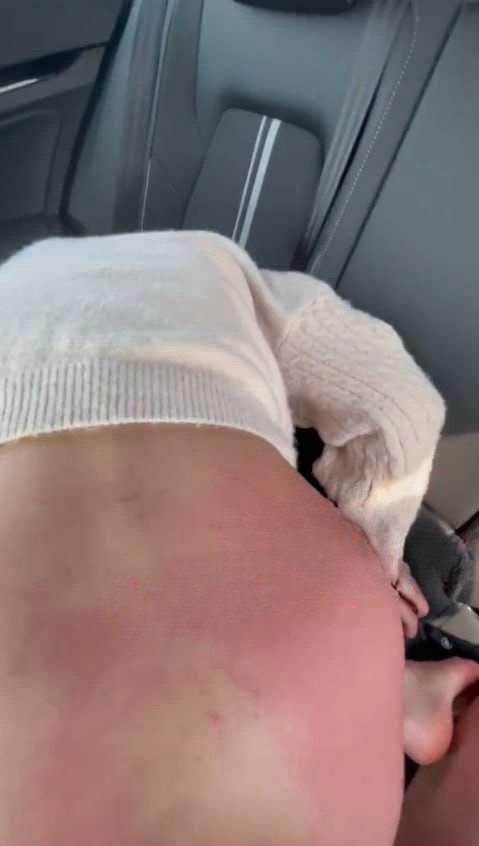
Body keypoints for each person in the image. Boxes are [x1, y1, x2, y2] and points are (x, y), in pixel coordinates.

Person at [0, 230, 477, 845]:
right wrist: (377, 543)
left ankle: (397, 692)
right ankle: (393, 690)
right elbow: (400, 407)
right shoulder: (231, 278)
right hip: (318, 624)